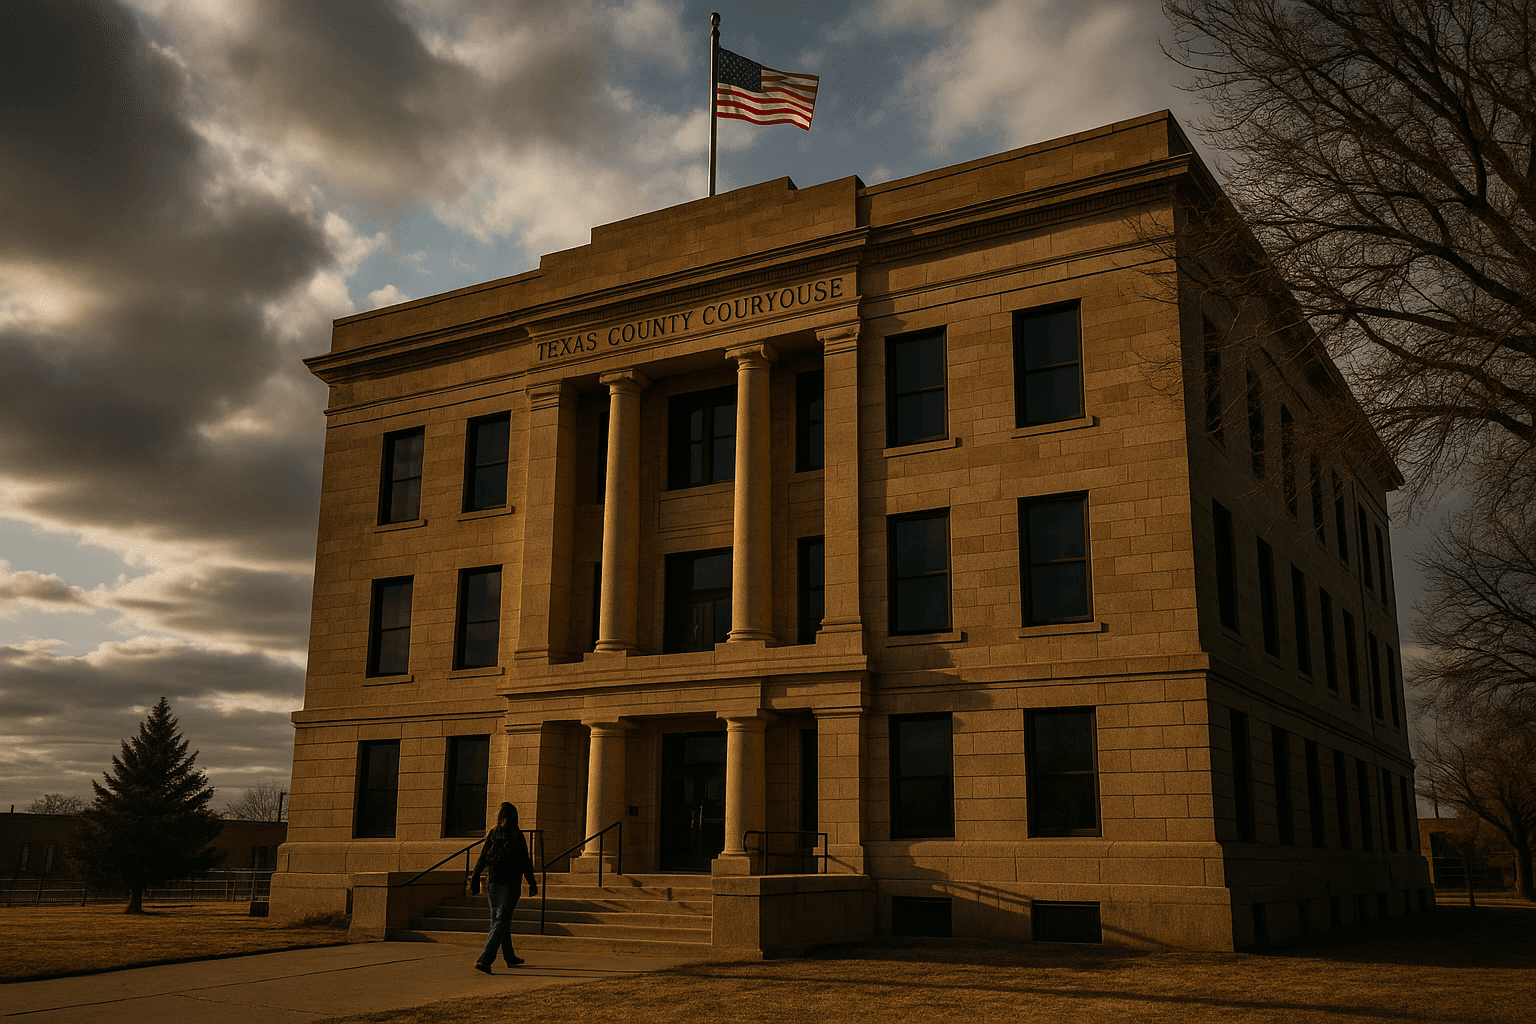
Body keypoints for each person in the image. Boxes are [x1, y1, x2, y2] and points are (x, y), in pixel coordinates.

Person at [469, 802, 538, 973]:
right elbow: (525, 861)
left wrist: (476, 877)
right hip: (510, 882)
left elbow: (483, 857)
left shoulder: (493, 834)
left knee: (500, 919)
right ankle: (485, 959)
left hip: (493, 881)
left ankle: (509, 956)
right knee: (501, 920)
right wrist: (532, 882)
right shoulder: (517, 836)